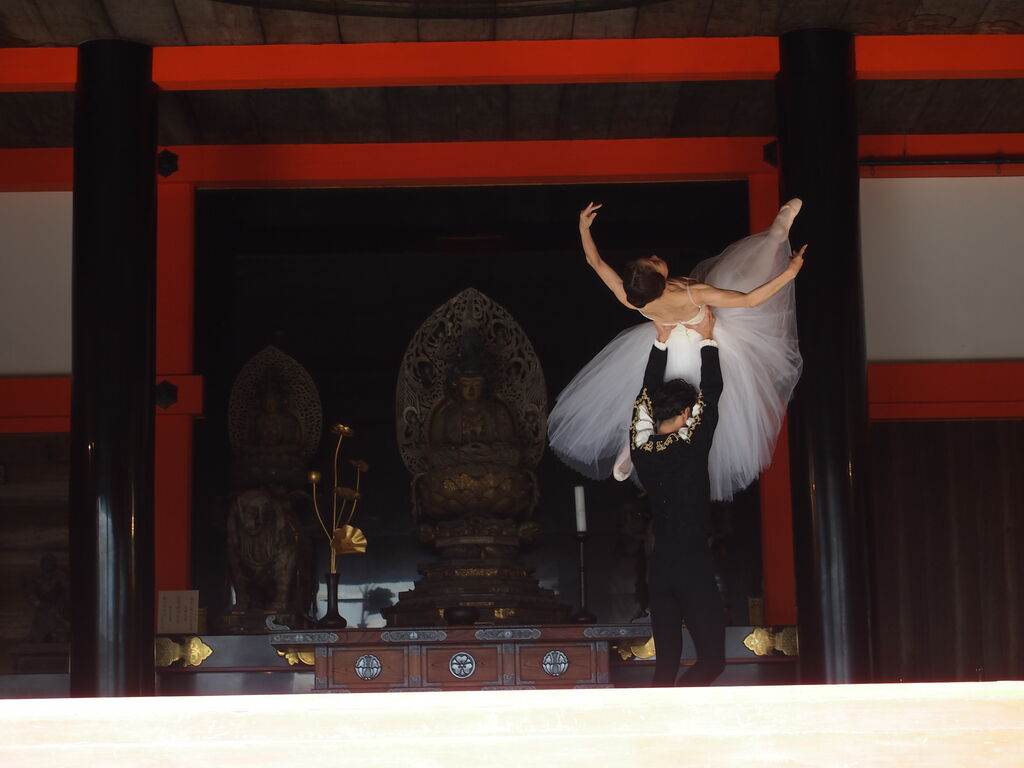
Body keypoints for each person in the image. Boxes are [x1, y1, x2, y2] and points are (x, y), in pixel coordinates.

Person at [548, 200, 805, 501]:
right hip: (702, 343)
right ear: (658, 280)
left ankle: (632, 447)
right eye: (654, 263)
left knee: (653, 398)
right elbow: (749, 300)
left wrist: (583, 228)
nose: (656, 257)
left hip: (668, 347)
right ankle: (776, 236)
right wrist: (790, 273)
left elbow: (596, 263)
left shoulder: (635, 299)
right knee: (741, 283)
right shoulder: (693, 294)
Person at [631, 309, 724, 686]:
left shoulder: (640, 448)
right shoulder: (689, 444)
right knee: (712, 662)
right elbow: (712, 392)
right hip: (692, 564)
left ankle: (658, 719)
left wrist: (662, 341)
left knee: (665, 666)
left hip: (660, 568)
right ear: (687, 413)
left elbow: (645, 394)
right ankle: (681, 714)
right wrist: (707, 338)